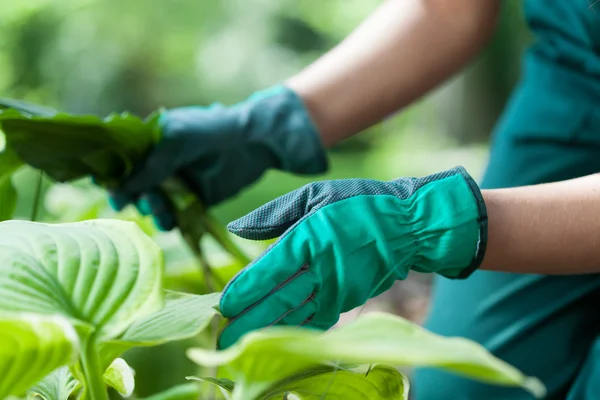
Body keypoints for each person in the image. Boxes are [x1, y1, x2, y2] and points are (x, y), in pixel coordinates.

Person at [106, 0, 600, 398]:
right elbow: (448, 9)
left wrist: (430, 222)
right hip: (578, 74)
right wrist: (266, 126)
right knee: (469, 387)